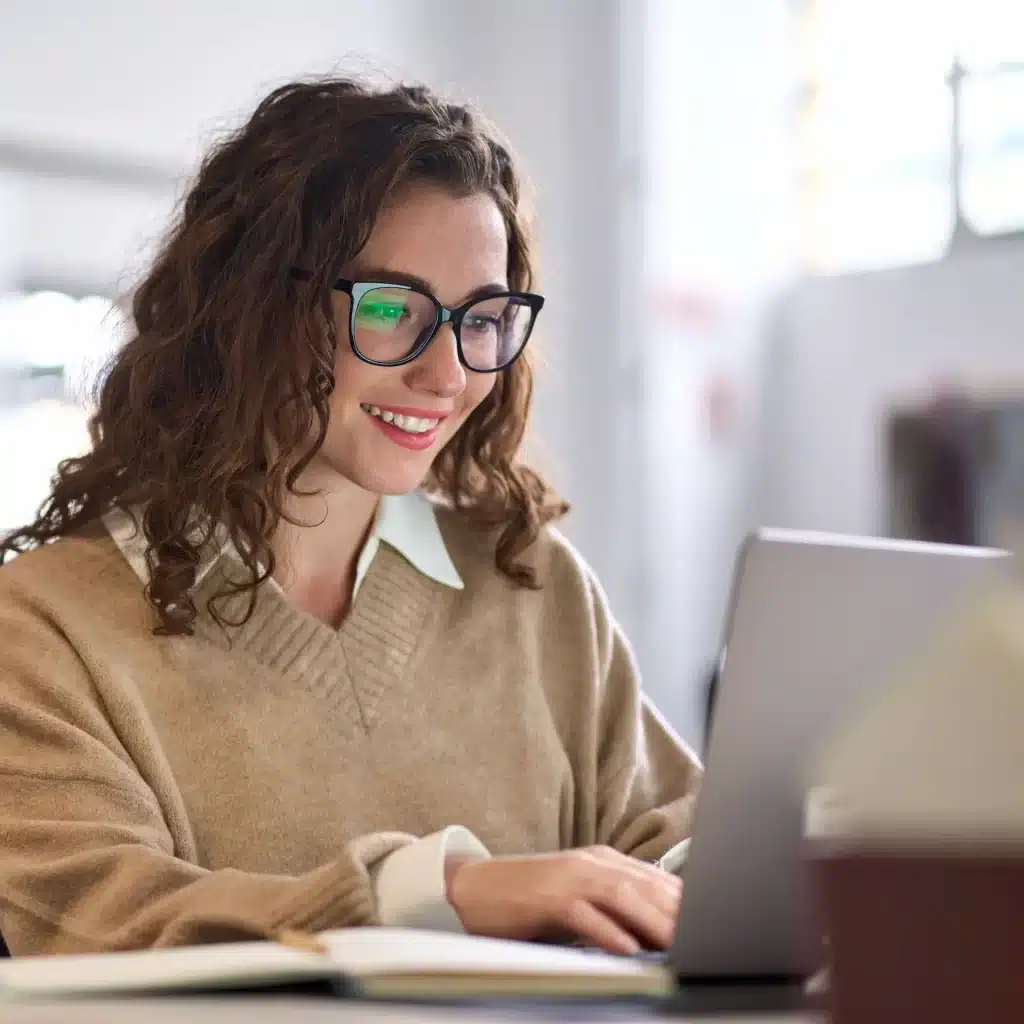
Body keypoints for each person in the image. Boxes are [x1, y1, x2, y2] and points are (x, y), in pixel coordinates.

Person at [0, 76, 702, 958]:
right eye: (388, 308)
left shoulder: (535, 585)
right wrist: (440, 897)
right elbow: (105, 919)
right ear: (249, 308)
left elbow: (668, 839)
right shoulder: (41, 627)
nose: (447, 374)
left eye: (481, 318)